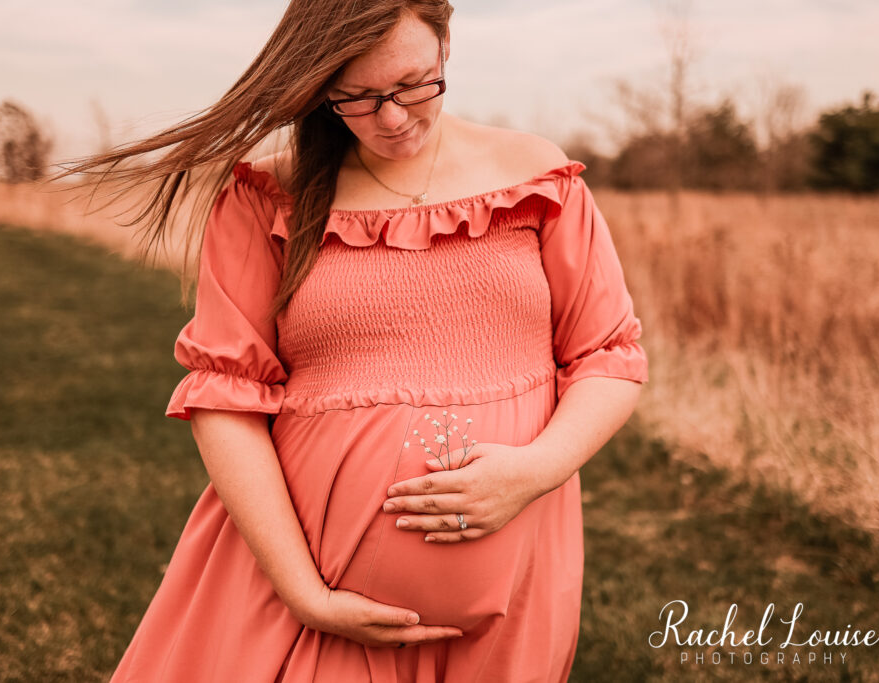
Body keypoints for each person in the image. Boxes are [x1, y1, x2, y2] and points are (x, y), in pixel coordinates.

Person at [55, 1, 648, 680]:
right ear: (317, 88)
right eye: (357, 96)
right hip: (303, 596)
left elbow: (608, 355)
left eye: (412, 84)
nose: (392, 117)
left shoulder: (536, 178)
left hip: (514, 587)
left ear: (446, 45)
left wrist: (534, 471)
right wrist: (305, 592)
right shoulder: (265, 195)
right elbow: (225, 399)